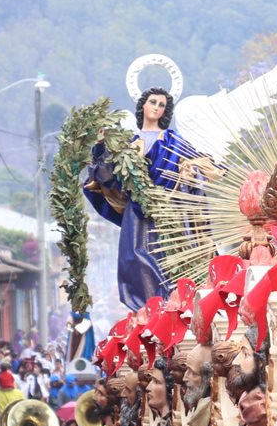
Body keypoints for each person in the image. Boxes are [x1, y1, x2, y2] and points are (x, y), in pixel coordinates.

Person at [84, 86, 210, 309]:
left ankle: (173, 308)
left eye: (162, 105)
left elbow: (200, 170)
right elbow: (107, 176)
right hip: (138, 217)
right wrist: (101, 147)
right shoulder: (127, 145)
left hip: (169, 213)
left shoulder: (175, 142)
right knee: (137, 262)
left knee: (170, 262)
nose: (157, 108)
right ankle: (148, 312)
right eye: (153, 102)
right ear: (143, 104)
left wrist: (190, 174)